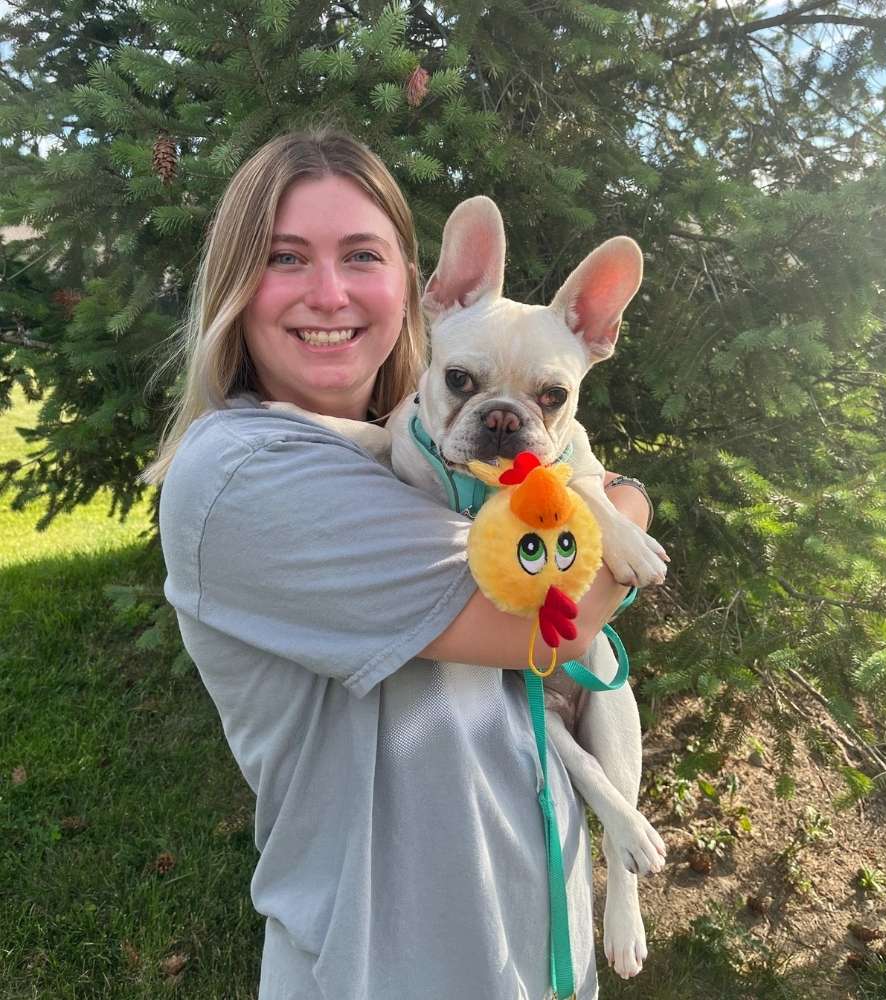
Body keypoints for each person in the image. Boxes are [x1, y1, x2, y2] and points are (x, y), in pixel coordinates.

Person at [145, 129, 655, 1000]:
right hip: (394, 964)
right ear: (447, 293)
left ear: (411, 286)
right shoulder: (245, 477)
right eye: (285, 257)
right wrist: (628, 503)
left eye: (362, 255)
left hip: (536, 936)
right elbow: (552, 631)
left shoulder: (386, 443)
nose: (330, 291)